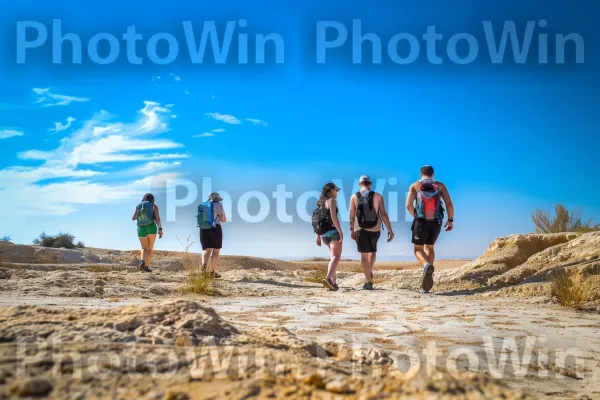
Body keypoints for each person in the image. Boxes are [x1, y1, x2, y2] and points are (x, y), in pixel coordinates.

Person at [406, 165, 454, 293]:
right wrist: (450, 220)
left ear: (421, 174)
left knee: (418, 249)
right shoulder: (440, 185)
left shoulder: (415, 185)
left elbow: (408, 205)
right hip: (436, 221)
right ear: (432, 174)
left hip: (421, 221)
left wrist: (415, 216)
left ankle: (427, 266)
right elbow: (449, 204)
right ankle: (428, 273)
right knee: (430, 247)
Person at [349, 175, 394, 290]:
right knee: (372, 250)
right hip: (375, 228)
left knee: (364, 255)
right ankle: (370, 269)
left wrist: (351, 230)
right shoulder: (378, 196)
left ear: (360, 184)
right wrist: (390, 230)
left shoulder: (354, 197)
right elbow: (383, 214)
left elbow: (351, 216)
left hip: (360, 229)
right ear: (370, 184)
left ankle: (368, 281)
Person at [315, 182, 343, 291]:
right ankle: (328, 278)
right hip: (333, 232)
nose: (337, 192)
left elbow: (318, 221)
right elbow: (333, 216)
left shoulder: (321, 203)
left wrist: (317, 236)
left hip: (323, 235)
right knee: (336, 257)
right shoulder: (331, 201)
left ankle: (334, 283)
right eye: (336, 190)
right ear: (331, 190)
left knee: (333, 258)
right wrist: (340, 231)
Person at [132, 193, 163, 273]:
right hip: (151, 228)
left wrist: (141, 215)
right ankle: (146, 266)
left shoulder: (138, 206)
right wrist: (160, 229)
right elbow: (158, 219)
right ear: (152, 199)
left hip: (141, 229)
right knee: (150, 249)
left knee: (144, 248)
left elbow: (133, 218)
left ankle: (142, 261)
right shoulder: (154, 206)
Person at [200, 192, 227, 278]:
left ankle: (204, 266)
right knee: (215, 251)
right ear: (218, 199)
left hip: (203, 228)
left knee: (206, 249)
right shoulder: (219, 205)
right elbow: (223, 219)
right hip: (215, 228)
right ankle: (212, 272)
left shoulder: (204, 205)